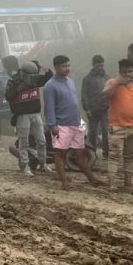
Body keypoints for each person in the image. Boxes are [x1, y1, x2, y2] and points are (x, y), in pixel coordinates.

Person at [44, 56, 103, 188]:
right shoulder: (50, 86)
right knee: (60, 154)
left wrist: (79, 119)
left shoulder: (70, 81)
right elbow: (49, 108)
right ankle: (64, 182)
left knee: (80, 153)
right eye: (64, 66)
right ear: (56, 67)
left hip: (75, 123)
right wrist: (53, 126)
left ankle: (92, 179)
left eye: (68, 65)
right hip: (61, 125)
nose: (67, 68)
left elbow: (73, 102)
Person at [102, 59, 133, 189]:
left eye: (130, 71)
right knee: (114, 156)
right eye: (124, 72)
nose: (127, 75)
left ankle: (128, 183)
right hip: (116, 126)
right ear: (119, 72)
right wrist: (117, 83)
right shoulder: (112, 82)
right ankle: (112, 184)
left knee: (130, 156)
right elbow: (104, 96)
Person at [5, 59, 50, 176]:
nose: (32, 80)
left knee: (41, 140)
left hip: (35, 113)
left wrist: (42, 67)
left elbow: (48, 77)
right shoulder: (13, 81)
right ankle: (25, 165)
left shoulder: (36, 78)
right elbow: (8, 97)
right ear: (23, 74)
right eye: (30, 77)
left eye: (34, 76)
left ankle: (43, 163)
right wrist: (19, 89)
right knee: (24, 141)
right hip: (22, 114)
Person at [81, 55, 109, 159]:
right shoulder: (87, 79)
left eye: (102, 66)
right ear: (93, 65)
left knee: (106, 131)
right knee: (93, 132)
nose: (100, 68)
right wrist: (87, 109)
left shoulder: (107, 77)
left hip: (105, 109)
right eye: (98, 66)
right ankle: (92, 153)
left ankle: (106, 153)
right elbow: (84, 95)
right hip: (92, 110)